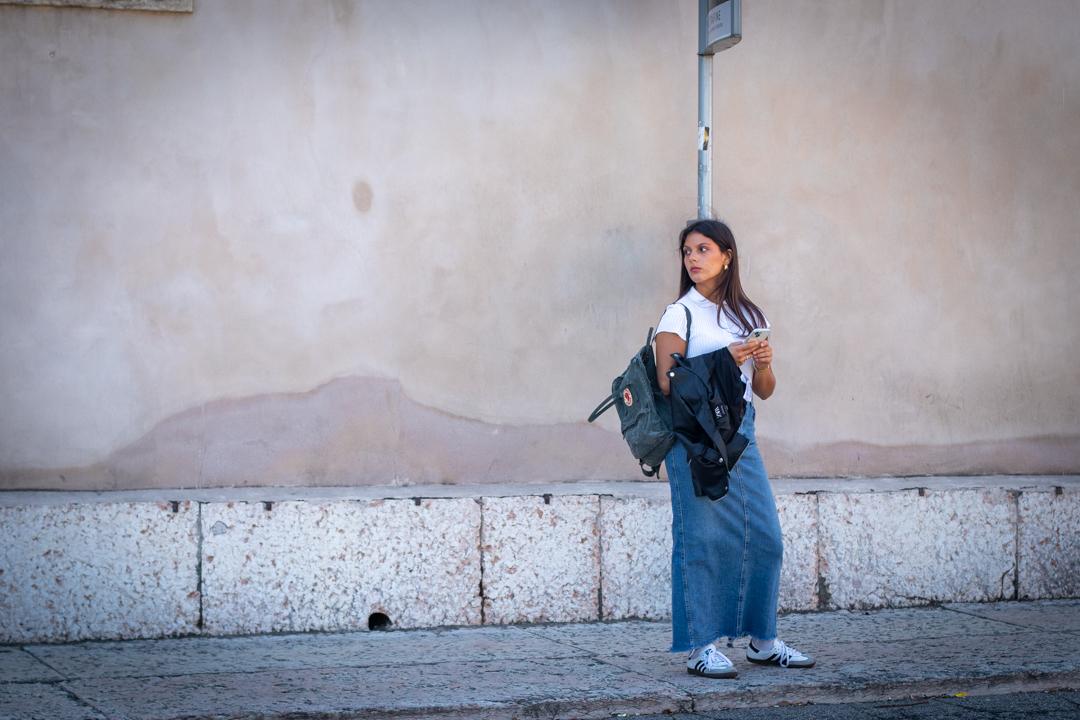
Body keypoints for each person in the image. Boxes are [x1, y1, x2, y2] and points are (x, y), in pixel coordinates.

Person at [653, 219, 814, 679]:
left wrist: (762, 364)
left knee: (764, 536)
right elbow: (668, 383)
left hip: (741, 436)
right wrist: (727, 358)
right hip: (694, 441)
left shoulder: (750, 317)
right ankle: (700, 647)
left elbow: (762, 390)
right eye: (687, 252)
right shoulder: (678, 314)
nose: (693, 259)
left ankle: (763, 642)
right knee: (700, 541)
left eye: (703, 250)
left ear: (727, 256)